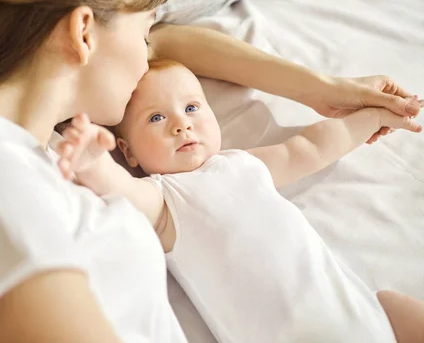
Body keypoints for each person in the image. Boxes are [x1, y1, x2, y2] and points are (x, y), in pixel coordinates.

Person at [0, 0, 422, 342]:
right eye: (145, 34)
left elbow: (181, 49)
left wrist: (325, 90)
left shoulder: (31, 157)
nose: (151, 58)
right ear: (84, 30)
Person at [55, 59, 424, 343]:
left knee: (394, 304)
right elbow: (125, 192)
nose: (181, 125)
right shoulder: (165, 199)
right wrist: (92, 161)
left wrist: (374, 116)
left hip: (361, 314)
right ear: (128, 151)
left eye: (192, 108)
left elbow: (312, 148)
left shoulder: (242, 165)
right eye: (155, 117)